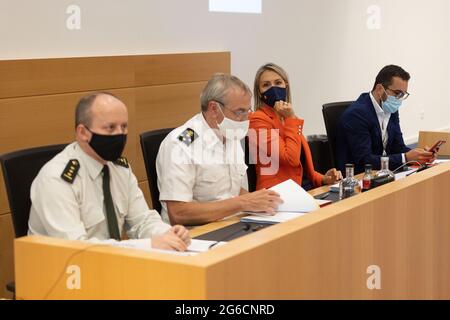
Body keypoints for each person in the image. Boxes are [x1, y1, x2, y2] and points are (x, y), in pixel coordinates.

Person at [28, 92, 191, 252]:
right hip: (63, 272)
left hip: (109, 265)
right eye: (110, 128)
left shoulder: (119, 169)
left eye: (124, 127)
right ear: (83, 132)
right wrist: (149, 245)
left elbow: (142, 221)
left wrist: (168, 234)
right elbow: (76, 248)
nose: (120, 134)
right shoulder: (57, 179)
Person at [156, 73, 283, 225]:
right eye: (239, 112)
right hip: (191, 235)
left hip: (231, 223)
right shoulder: (181, 143)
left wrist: (262, 202)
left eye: (247, 111)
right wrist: (242, 203)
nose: (245, 119)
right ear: (214, 108)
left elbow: (231, 190)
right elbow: (178, 213)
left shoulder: (230, 134)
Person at [249, 63, 341, 191]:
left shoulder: (288, 118)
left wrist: (324, 179)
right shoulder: (258, 120)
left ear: (285, 86)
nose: (273, 88)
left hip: (302, 190)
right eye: (266, 85)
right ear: (259, 92)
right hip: (277, 195)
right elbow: (290, 159)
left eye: (278, 82)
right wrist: (291, 118)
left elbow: (302, 168)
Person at [336, 65, 435, 174]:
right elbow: (365, 160)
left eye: (403, 95)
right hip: (358, 178)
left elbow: (398, 147)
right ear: (379, 89)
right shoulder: (356, 115)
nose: (399, 100)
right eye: (397, 93)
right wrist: (406, 158)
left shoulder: (391, 109)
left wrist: (420, 155)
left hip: (383, 174)